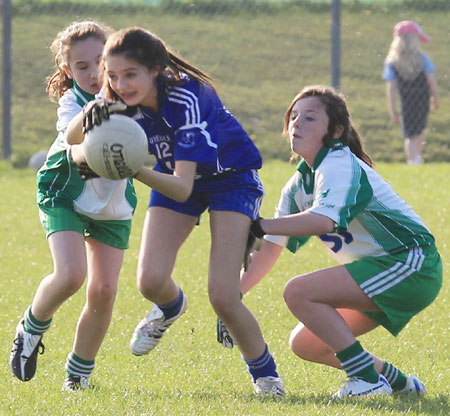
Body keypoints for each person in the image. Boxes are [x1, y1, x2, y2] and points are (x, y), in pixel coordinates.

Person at [73, 27, 285, 397]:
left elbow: (183, 186)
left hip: (229, 180)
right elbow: (76, 143)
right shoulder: (115, 95)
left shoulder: (188, 96)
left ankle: (267, 378)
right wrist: (91, 115)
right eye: (113, 76)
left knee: (222, 295)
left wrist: (132, 167)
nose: (121, 85)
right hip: (174, 178)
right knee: (150, 282)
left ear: (156, 69)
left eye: (130, 75)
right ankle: (171, 307)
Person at [231, 85, 442, 399]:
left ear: (336, 131)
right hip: (387, 270)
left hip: (412, 264)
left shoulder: (338, 163)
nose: (297, 124)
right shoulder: (301, 182)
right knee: (306, 344)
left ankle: (367, 380)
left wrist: (258, 226)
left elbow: (323, 221)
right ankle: (401, 384)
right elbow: (271, 247)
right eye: (294, 117)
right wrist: (233, 296)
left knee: (298, 291)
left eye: (310, 118)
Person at [9, 21, 138, 391]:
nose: (94, 72)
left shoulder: (137, 95)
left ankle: (78, 376)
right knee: (71, 276)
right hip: (63, 189)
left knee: (104, 291)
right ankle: (30, 328)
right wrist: (96, 118)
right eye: (81, 66)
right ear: (68, 71)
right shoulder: (74, 102)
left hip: (112, 202)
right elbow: (74, 141)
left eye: (100, 61)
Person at [383, 20, 439, 165]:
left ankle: (412, 158)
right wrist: (435, 98)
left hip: (405, 102)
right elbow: (431, 80)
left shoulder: (392, 62)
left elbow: (391, 87)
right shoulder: (423, 59)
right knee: (419, 130)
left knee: (409, 132)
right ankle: (416, 157)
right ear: (414, 40)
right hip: (422, 99)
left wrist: (392, 110)